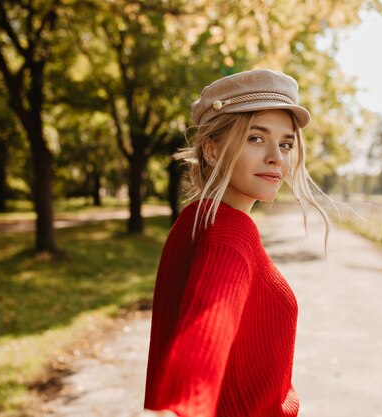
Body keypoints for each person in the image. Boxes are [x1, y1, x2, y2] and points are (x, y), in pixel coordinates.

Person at [140, 69, 330, 417]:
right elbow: (208, 326)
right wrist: (183, 404)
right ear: (211, 150)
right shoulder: (231, 232)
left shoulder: (196, 219)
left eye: (286, 144)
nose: (277, 156)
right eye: (256, 138)